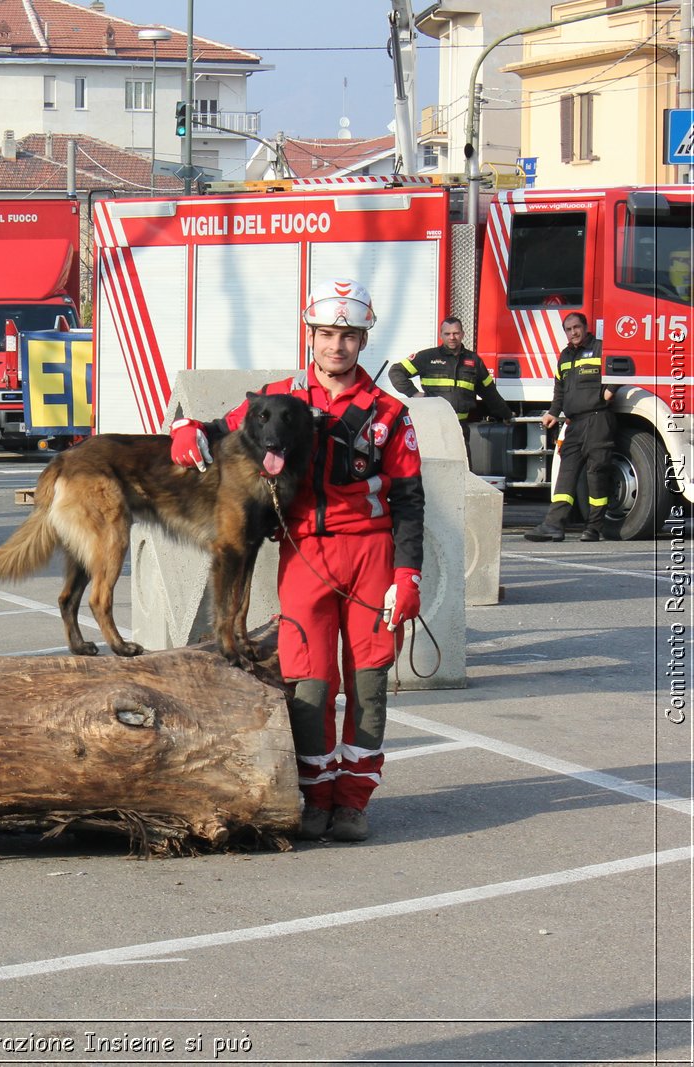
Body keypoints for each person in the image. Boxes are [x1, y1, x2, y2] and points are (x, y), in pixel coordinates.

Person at [170, 279, 426, 843]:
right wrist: (186, 427)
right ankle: (315, 795)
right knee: (308, 681)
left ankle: (353, 801)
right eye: (327, 334)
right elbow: (224, 427)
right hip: (305, 552)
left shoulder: (390, 412)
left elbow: (409, 496)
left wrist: (409, 575)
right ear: (310, 337)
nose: (337, 346)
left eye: (349, 336)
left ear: (364, 341)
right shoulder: (278, 396)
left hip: (372, 553)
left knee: (370, 682)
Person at [525, 312, 617, 543]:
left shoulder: (600, 348)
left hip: (598, 420)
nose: (573, 332)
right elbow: (559, 388)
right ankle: (554, 525)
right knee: (566, 474)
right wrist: (553, 413)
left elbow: (621, 366)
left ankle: (594, 528)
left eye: (577, 327)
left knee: (596, 475)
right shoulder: (565, 356)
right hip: (573, 423)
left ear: (585, 327)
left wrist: (611, 388)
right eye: (569, 329)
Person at [387, 316, 511, 448]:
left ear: (462, 334)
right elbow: (396, 372)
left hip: (460, 428)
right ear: (441, 335)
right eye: (447, 334)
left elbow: (490, 392)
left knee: (462, 467)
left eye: (456, 333)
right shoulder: (427, 357)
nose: (452, 337)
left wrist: (506, 414)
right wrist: (414, 393)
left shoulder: (474, 361)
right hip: (432, 425)